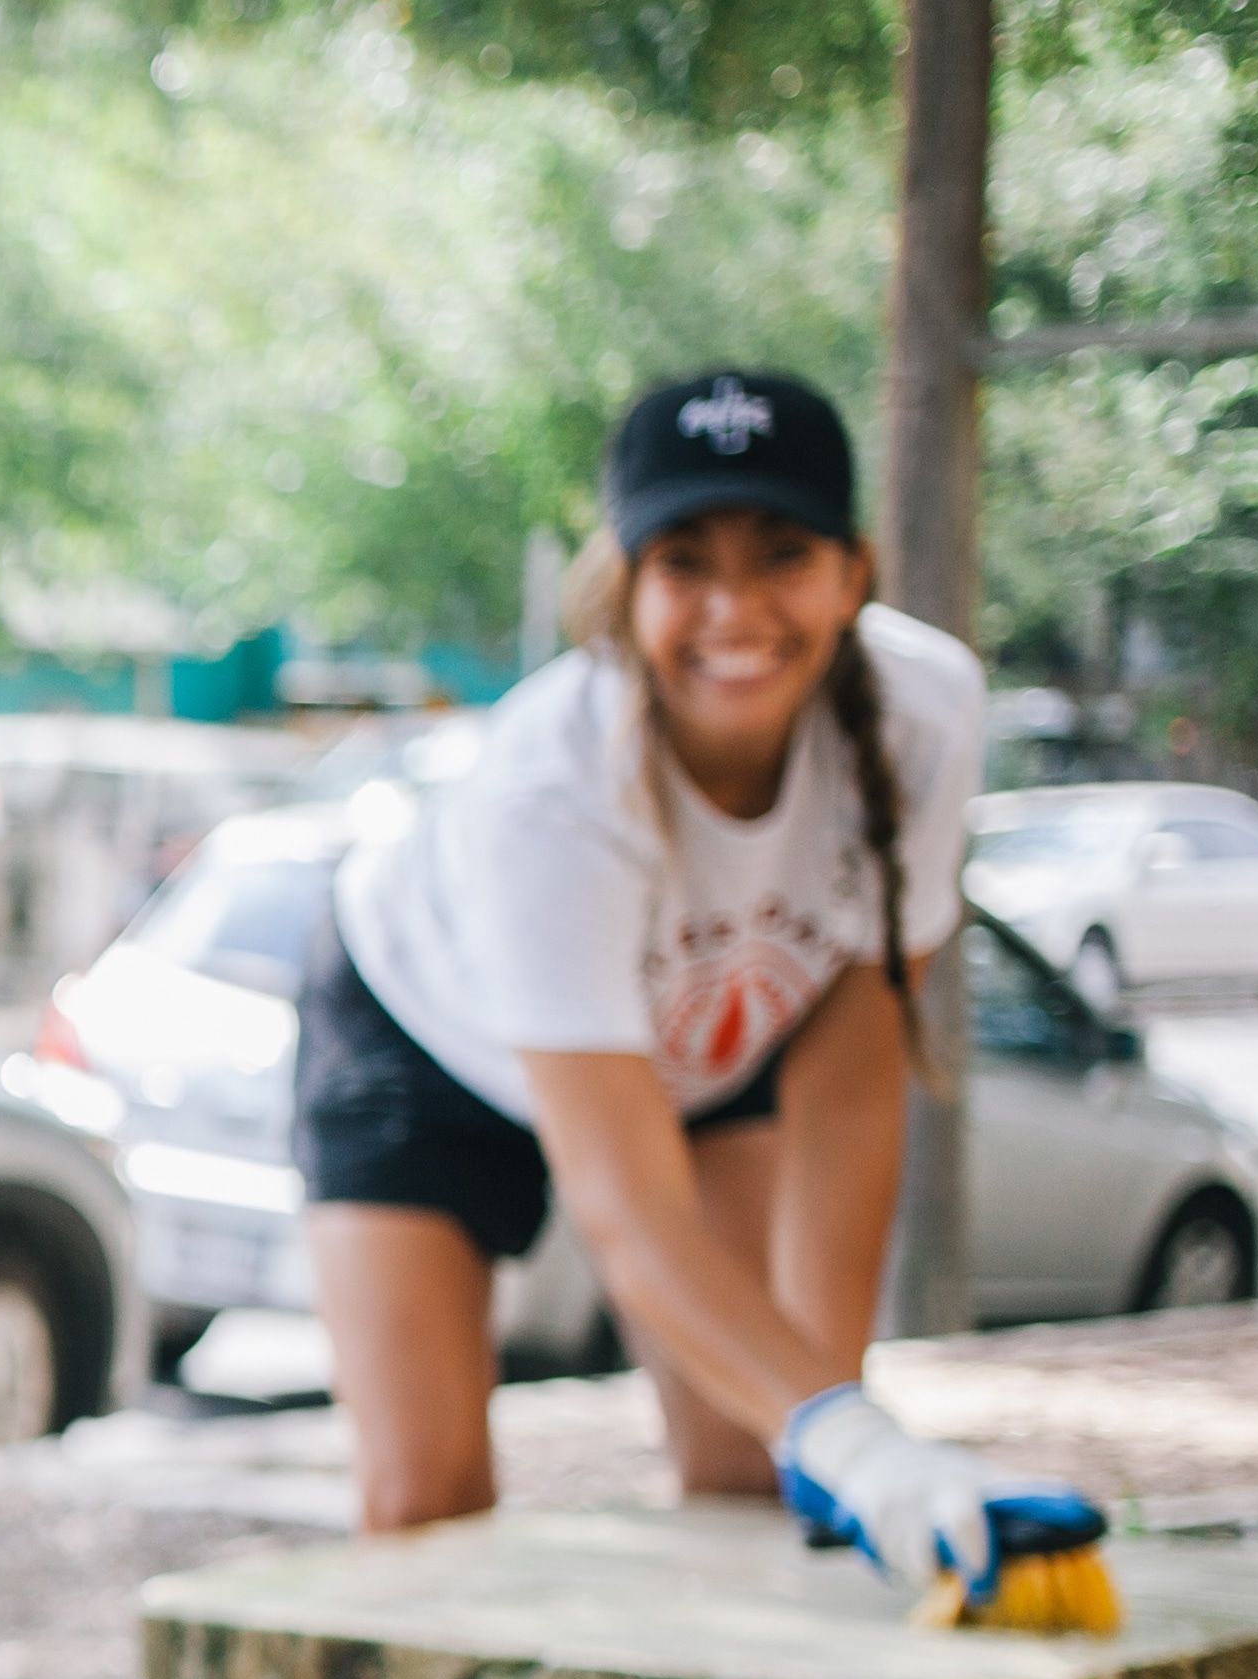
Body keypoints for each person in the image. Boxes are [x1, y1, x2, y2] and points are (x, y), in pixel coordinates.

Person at [302, 368, 1022, 1577]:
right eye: (686, 561)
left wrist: (836, 1439)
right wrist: (848, 1437)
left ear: (852, 573)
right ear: (623, 588)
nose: (735, 609)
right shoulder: (553, 789)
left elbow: (849, 1086)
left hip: (705, 1046)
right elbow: (623, 1209)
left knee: (757, 1474)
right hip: (424, 1038)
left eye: (781, 554)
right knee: (426, 1509)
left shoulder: (927, 712)